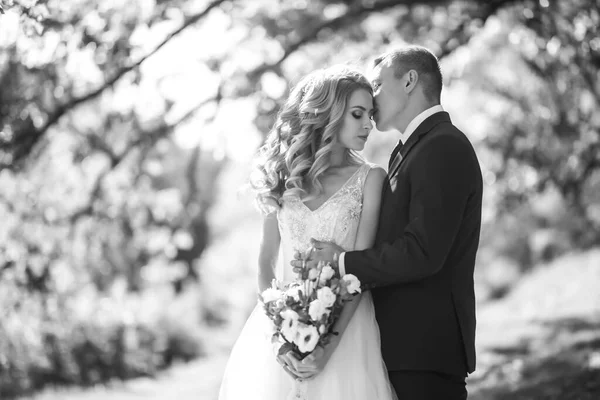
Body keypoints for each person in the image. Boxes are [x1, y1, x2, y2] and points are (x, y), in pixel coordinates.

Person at [291, 46, 483, 399]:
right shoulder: (409, 150)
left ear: (409, 80)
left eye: (378, 85)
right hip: (398, 347)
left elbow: (423, 252)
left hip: (424, 350)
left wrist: (340, 260)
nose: (373, 98)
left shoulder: (442, 147)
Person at [217, 65, 396, 400]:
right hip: (279, 331)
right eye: (357, 114)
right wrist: (278, 335)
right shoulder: (284, 177)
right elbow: (265, 262)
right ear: (329, 113)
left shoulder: (371, 179)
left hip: (348, 334)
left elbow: (360, 269)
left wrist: (325, 349)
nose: (368, 125)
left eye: (370, 115)